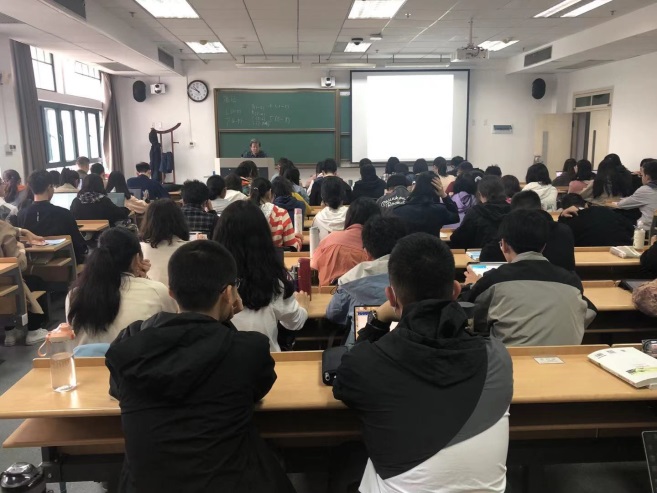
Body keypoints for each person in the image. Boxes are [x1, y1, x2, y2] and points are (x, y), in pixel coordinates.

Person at [105, 240, 295, 493]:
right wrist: (225, 321)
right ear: (229, 293)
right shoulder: (248, 350)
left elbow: (118, 389)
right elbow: (256, 387)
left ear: (171, 292)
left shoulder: (129, 347)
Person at [333, 233, 513, 493]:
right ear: (455, 291)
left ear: (391, 297)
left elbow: (345, 378)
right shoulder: (497, 357)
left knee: (346, 459)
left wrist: (377, 321)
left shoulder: (365, 364)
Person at [464, 209, 591, 346]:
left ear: (504, 245)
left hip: (511, 357)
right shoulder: (571, 281)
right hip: (569, 358)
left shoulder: (494, 279)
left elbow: (468, 312)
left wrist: (471, 286)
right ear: (543, 246)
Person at [213, 201, 309, 352]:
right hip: (266, 359)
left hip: (220, 360)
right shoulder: (272, 282)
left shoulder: (210, 279)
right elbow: (293, 323)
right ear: (264, 238)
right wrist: (303, 306)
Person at [66, 227, 177, 346]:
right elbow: (173, 326)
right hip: (137, 357)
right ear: (137, 258)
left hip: (86, 358)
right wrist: (145, 280)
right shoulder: (156, 291)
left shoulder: (74, 294)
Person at [325, 216, 407, 344]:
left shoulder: (349, 279)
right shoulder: (415, 277)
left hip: (359, 349)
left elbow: (333, 314)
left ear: (367, 252)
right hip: (406, 349)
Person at [482, 190, 575, 271]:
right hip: (561, 282)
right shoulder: (563, 231)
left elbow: (486, 255)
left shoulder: (511, 231)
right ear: (541, 207)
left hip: (516, 280)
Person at [16, 170, 88, 263]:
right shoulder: (64, 214)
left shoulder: (21, 215)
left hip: (31, 266)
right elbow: (79, 245)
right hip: (64, 265)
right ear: (49, 187)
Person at [311, 198, 380, 286]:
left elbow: (313, 264)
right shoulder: (375, 247)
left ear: (348, 217)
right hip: (362, 293)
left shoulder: (329, 239)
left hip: (326, 292)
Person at [1, 222, 48, 346]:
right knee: (33, 282)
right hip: (8, 287)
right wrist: (21, 249)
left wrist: (24, 231)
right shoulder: (3, 230)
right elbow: (20, 265)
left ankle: (10, 332)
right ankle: (34, 330)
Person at [450, 176, 511, 252]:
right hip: (509, 256)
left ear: (480, 194)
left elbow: (459, 239)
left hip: (479, 256)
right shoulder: (513, 210)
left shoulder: (475, 212)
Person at [389, 172, 459, 236]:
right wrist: (443, 195)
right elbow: (456, 217)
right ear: (436, 189)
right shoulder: (440, 210)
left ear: (415, 186)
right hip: (433, 245)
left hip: (408, 245)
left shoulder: (399, 211)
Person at [139, 199, 189, 286]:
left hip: (150, 293)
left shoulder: (139, 250)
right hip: (179, 294)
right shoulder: (189, 249)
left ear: (148, 222)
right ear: (180, 220)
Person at [558, 193, 633, 247]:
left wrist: (562, 217)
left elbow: (560, 239)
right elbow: (630, 228)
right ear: (585, 204)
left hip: (588, 257)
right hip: (622, 251)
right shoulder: (604, 210)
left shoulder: (568, 221)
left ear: (564, 209)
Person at [250, 177, 302, 251]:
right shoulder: (281, 213)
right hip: (273, 257)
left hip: (247, 257)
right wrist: (299, 239)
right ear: (270, 192)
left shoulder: (242, 212)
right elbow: (292, 248)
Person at [615, 159, 657, 225]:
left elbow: (622, 205)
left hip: (646, 228)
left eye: (642, 175)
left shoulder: (646, 190)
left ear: (647, 177)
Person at [312, 176, 350, 241]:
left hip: (324, 247)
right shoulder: (351, 216)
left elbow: (315, 244)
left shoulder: (317, 218)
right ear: (343, 194)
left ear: (322, 196)